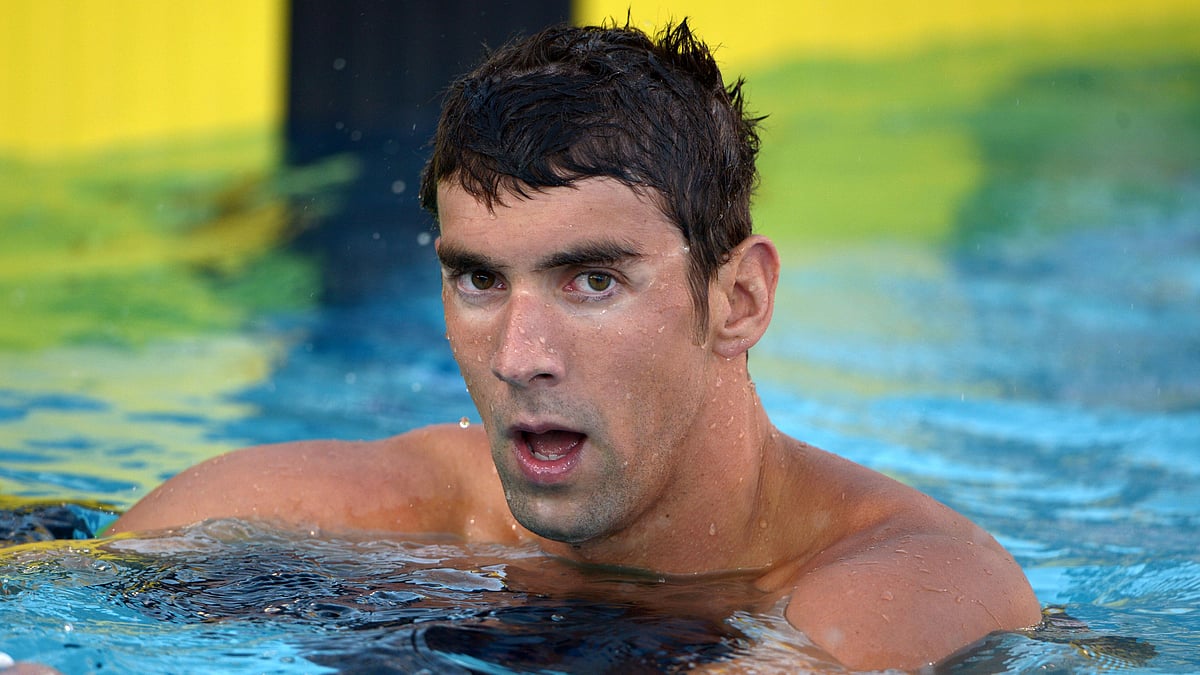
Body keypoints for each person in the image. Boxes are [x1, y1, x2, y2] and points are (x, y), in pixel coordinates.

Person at [108, 20, 1042, 670]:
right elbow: (71, 590)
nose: (520, 354)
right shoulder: (389, 516)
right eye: (479, 278)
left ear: (741, 298)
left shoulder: (910, 579)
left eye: (592, 281)